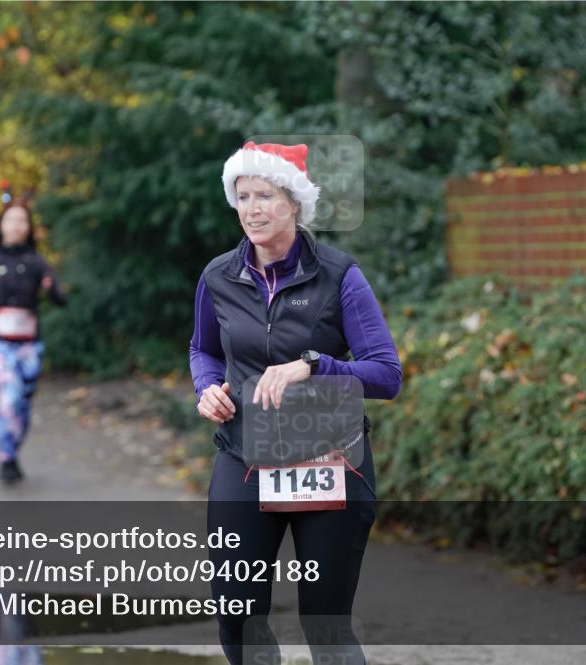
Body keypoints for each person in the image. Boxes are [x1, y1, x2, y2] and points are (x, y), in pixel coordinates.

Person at [190, 142, 402, 664]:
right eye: (243, 196)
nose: (252, 208)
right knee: (239, 618)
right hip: (244, 460)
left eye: (265, 195)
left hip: (331, 465)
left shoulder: (339, 276)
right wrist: (207, 388)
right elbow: (203, 349)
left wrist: (314, 364)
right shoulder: (218, 276)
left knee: (325, 626)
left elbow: (386, 374)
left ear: (294, 203)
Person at [0, 182, 67, 483]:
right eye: (11, 220)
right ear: (1, 226)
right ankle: (6, 457)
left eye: (22, 220)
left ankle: (13, 449)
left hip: (30, 347)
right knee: (8, 398)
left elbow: (62, 300)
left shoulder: (38, 263)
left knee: (21, 404)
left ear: (29, 227)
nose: (16, 225)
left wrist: (51, 290)